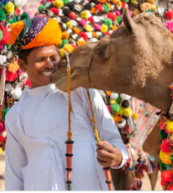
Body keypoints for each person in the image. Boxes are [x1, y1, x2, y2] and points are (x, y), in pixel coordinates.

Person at [5, 15, 128, 190]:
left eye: (53, 58)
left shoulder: (83, 93)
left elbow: (112, 138)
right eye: (41, 60)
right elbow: (14, 175)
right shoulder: (16, 116)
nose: (50, 64)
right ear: (23, 66)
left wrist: (118, 157)